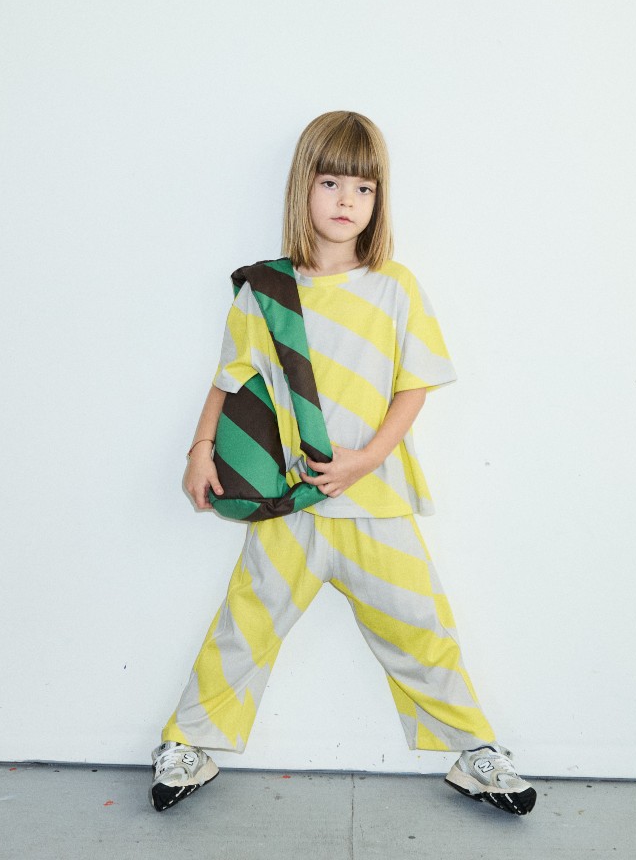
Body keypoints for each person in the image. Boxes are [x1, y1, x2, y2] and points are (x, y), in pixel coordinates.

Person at [150, 111, 536, 816]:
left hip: (375, 499)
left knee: (422, 626)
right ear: (304, 188)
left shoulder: (396, 287)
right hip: (291, 502)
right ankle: (189, 743)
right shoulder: (265, 291)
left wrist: (369, 459)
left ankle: (472, 751)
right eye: (330, 182)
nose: (345, 201)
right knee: (246, 623)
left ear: (378, 200)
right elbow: (230, 379)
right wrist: (200, 450)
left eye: (362, 188)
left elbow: (413, 386)